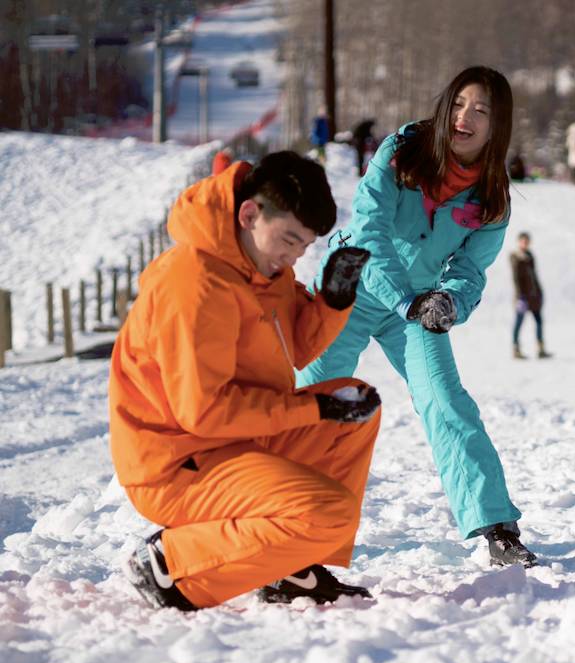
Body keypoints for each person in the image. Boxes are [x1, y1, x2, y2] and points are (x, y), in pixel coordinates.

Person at [109, 151, 382, 611]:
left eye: (304, 247)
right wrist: (311, 408)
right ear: (249, 213)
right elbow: (204, 411)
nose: (294, 257)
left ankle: (291, 567)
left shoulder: (258, 263)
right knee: (327, 511)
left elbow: (293, 346)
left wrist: (332, 301)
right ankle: (172, 565)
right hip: (178, 462)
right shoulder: (193, 284)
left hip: (231, 441)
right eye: (290, 240)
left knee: (352, 412)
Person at [295, 66, 537, 568]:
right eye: (458, 104)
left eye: (481, 110)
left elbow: (470, 269)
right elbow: (369, 230)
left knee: (446, 399)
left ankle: (497, 526)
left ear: (499, 125)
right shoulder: (401, 152)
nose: (464, 117)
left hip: (418, 306)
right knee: (311, 396)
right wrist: (407, 299)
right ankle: (283, 517)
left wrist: (449, 300)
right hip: (354, 284)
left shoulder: (492, 195)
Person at [509, 231, 549, 359]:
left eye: (527, 241)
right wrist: (520, 296)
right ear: (519, 241)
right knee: (519, 322)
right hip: (523, 297)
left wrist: (539, 291)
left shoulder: (530, 255)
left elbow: (534, 276)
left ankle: (541, 348)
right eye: (523, 241)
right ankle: (516, 349)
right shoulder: (515, 256)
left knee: (539, 321)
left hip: (534, 296)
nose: (525, 243)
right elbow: (515, 278)